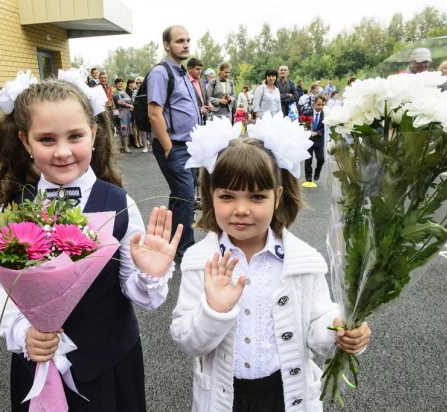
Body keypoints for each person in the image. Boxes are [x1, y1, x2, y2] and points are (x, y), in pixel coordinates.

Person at [0, 78, 183, 412]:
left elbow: (137, 295)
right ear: (25, 141)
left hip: (109, 365)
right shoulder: (14, 207)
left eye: (75, 136)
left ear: (93, 133)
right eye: (46, 139)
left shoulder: (119, 203)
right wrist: (20, 332)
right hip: (38, 361)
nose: (62, 151)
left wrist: (149, 275)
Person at [170, 128, 371, 412]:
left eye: (256, 197)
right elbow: (186, 341)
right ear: (210, 195)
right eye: (227, 196)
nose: (241, 209)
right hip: (223, 397)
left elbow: (317, 326)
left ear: (277, 196)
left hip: (288, 395)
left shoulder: (303, 260)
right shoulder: (199, 260)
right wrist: (213, 311)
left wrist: (339, 328)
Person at [147, 25, 201, 260]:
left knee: (181, 196)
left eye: (188, 40)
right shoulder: (161, 73)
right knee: (186, 195)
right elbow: (154, 113)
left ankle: (172, 241)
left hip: (190, 146)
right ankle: (184, 250)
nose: (186, 44)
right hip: (175, 147)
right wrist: (168, 147)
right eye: (180, 41)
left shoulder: (182, 73)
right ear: (167, 45)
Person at [303, 94, 327, 187]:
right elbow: (301, 122)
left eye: (322, 105)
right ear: (314, 103)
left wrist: (317, 133)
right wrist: (307, 130)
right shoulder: (307, 113)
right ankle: (308, 177)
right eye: (318, 104)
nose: (320, 107)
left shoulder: (325, 115)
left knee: (321, 159)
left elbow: (325, 127)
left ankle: (317, 171)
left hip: (319, 139)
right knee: (308, 159)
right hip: (308, 139)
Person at [187, 57, 213, 125]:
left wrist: (209, 104)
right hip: (191, 120)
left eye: (201, 69)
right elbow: (184, 103)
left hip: (204, 119)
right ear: (190, 69)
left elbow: (206, 97)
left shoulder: (201, 81)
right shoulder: (184, 82)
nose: (200, 71)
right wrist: (199, 109)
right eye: (197, 69)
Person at [113, 77, 135, 153]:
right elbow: (120, 102)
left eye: (121, 83)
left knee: (127, 128)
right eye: (118, 83)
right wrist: (129, 105)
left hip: (127, 112)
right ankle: (125, 147)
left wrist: (130, 105)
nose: (120, 85)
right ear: (116, 84)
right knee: (123, 129)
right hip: (121, 112)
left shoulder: (124, 92)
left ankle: (123, 146)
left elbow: (130, 100)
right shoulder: (115, 92)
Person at [133, 76, 152, 152]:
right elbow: (133, 102)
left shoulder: (148, 90)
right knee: (143, 130)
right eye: (137, 83)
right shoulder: (135, 92)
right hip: (139, 111)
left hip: (148, 110)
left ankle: (152, 145)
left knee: (151, 130)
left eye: (140, 82)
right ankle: (145, 147)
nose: (138, 84)